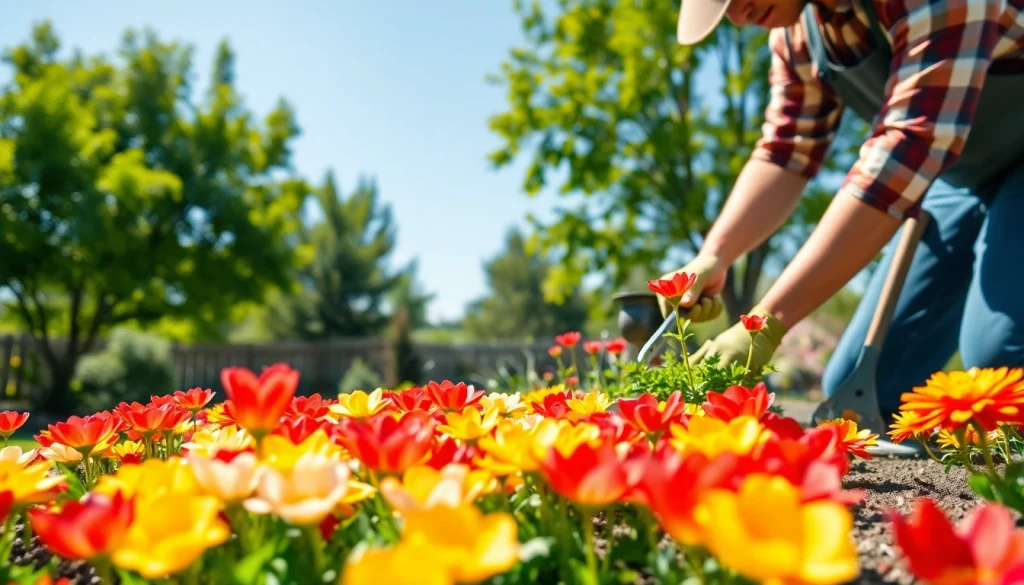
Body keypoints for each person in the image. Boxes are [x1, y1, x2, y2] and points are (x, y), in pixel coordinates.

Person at [657, 0, 1024, 421]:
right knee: (860, 383)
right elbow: (787, 149)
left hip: (946, 158)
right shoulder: (797, 33)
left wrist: (767, 321)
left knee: (1004, 361)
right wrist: (714, 255)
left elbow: (906, 148)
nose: (736, 17)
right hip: (959, 176)